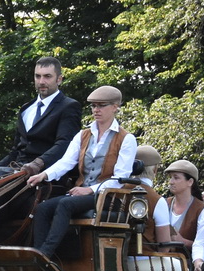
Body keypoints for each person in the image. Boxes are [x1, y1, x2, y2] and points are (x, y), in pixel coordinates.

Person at [26, 86, 137, 260]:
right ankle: (38, 256)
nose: (96, 110)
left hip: (108, 196)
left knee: (65, 204)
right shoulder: (83, 135)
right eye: (93, 106)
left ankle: (46, 254)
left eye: (101, 105)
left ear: (115, 107)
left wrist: (89, 190)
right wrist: (43, 175)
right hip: (81, 194)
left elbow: (120, 179)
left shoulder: (126, 139)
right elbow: (66, 161)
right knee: (42, 208)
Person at [153, 160, 203, 248]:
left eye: (176, 178)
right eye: (170, 177)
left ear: (190, 182)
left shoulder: (201, 208)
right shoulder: (164, 203)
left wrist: (183, 242)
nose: (171, 182)